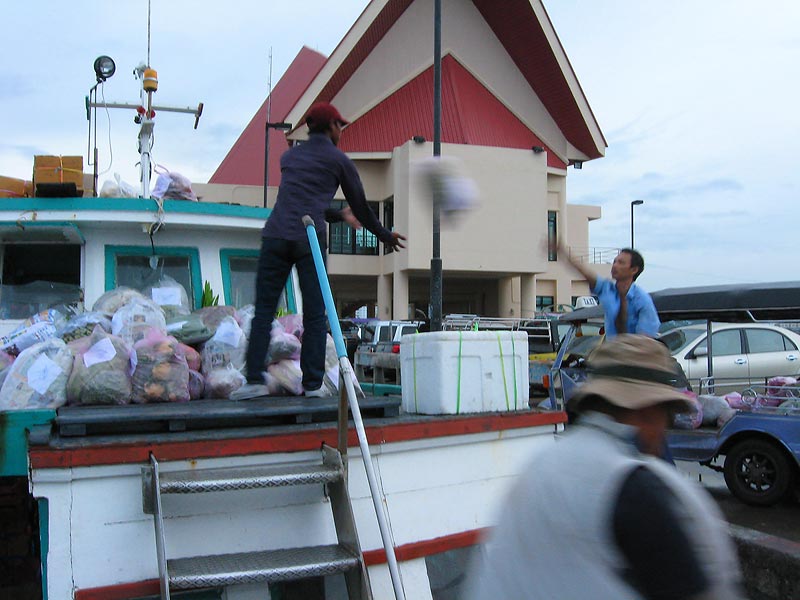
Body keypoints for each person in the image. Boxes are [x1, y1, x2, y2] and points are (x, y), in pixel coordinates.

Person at [465, 335, 743, 600]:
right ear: (646, 412)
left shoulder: (541, 462)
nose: (664, 429)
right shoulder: (633, 486)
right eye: (666, 415)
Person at [235, 102, 406, 400]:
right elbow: (363, 208)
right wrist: (384, 235)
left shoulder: (290, 157)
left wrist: (340, 216)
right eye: (339, 125)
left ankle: (254, 381)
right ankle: (312, 385)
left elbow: (302, 201)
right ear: (331, 127)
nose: (341, 131)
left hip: (275, 235)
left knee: (263, 311)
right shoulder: (338, 160)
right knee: (315, 315)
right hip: (308, 240)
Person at [562, 242, 660, 337]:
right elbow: (587, 274)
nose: (615, 265)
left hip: (632, 351)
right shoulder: (608, 289)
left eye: (621, 263)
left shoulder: (643, 300)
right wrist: (563, 253)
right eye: (614, 261)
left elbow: (645, 338)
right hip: (613, 349)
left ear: (634, 270)